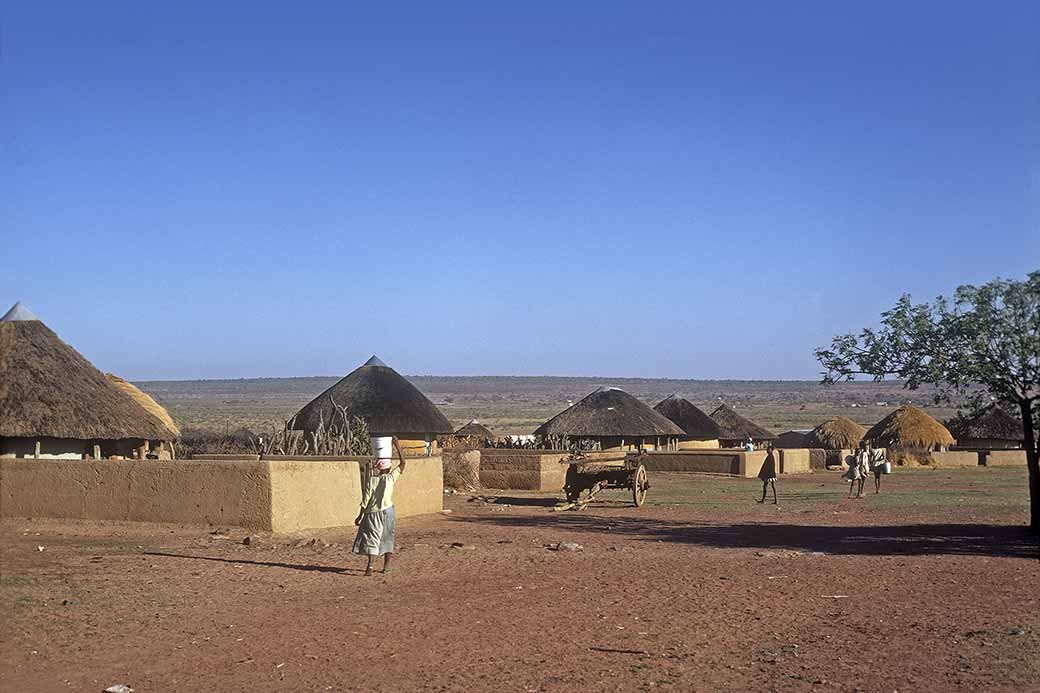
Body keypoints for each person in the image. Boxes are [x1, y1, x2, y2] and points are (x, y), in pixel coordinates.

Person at [353, 437, 406, 576]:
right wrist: (397, 445)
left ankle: (370, 567)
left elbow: (366, 500)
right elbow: (403, 463)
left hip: (371, 513)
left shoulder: (372, 480)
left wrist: (360, 516)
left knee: (372, 538)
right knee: (388, 537)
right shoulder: (390, 478)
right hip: (387, 512)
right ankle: (386, 566)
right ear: (388, 467)